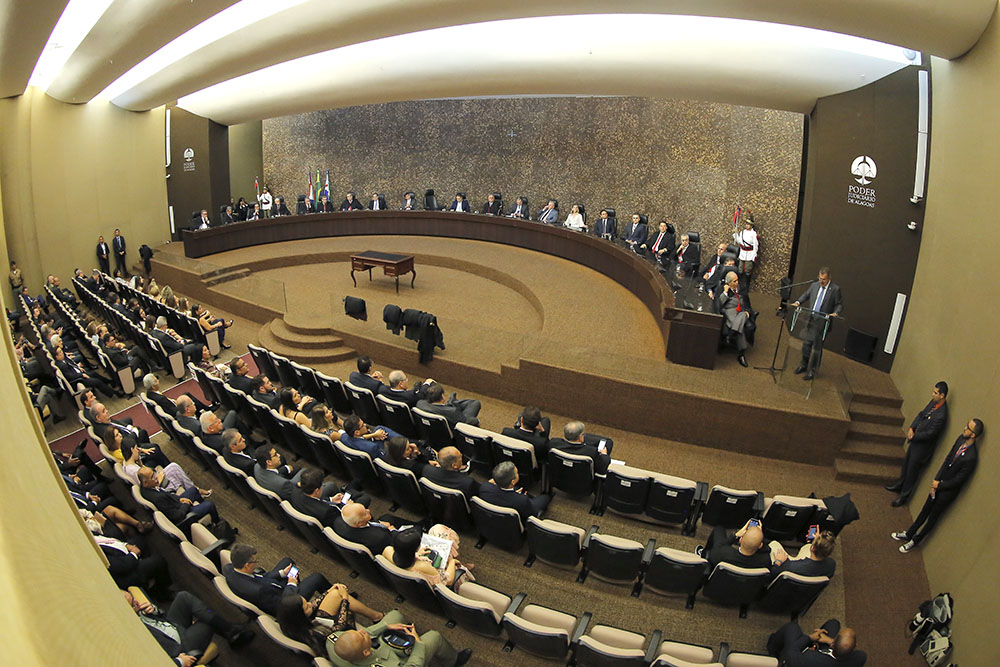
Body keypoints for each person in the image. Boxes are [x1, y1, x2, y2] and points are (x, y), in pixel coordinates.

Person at [893, 418, 983, 552]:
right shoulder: (960, 439)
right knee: (924, 511)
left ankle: (915, 541)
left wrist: (939, 485)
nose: (965, 428)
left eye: (968, 428)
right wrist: (936, 479)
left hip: (946, 493)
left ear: (973, 435)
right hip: (937, 485)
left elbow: (959, 480)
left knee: (932, 519)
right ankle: (909, 533)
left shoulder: (971, 457)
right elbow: (947, 460)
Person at [124, 588, 254, 665]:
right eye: (133, 604)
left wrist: (154, 611)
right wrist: (179, 662)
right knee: (206, 623)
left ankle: (230, 630)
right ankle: (232, 632)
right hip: (177, 648)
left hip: (170, 626)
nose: (137, 602)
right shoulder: (129, 634)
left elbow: (158, 618)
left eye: (133, 598)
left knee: (184, 597)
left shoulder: (130, 613)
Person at [328, 609, 472, 667]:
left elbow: (366, 633)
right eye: (362, 636)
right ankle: (453, 661)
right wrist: (418, 643)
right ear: (366, 652)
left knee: (395, 615)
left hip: (376, 648)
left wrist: (385, 627)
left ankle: (403, 631)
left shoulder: (334, 642)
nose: (362, 631)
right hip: (397, 662)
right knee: (434, 636)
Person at [886, 382, 950, 506]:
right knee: (906, 465)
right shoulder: (933, 403)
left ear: (942, 395)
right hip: (915, 441)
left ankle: (903, 497)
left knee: (912, 472)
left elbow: (931, 434)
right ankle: (899, 485)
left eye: (935, 393)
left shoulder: (941, 415)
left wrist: (914, 436)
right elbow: (922, 414)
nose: (933, 395)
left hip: (922, 449)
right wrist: (912, 427)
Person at [224, 543, 331, 616]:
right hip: (287, 601)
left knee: (287, 561)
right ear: (247, 565)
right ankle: (332, 596)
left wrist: (282, 573)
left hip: (269, 586)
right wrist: (291, 584)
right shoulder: (260, 592)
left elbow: (261, 577)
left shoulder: (229, 569)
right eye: (255, 561)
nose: (257, 563)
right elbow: (283, 605)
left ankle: (297, 584)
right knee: (316, 578)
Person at [277, 587, 383, 656]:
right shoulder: (317, 633)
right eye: (306, 607)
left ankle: (377, 616)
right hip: (340, 640)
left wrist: (329, 591)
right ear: (300, 616)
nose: (310, 604)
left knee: (335, 594)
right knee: (346, 609)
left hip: (322, 627)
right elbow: (340, 627)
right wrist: (345, 598)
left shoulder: (289, 622)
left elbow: (313, 605)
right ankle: (378, 617)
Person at [791, 267, 844, 380]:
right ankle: (803, 365)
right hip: (810, 320)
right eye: (819, 278)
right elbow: (806, 295)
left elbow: (839, 304)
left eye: (823, 279)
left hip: (822, 323)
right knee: (806, 345)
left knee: (816, 349)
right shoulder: (814, 285)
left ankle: (812, 371)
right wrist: (798, 302)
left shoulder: (835, 289)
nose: (821, 281)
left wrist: (835, 313)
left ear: (829, 278)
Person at [382, 526, 460, 589]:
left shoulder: (387, 550)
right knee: (440, 530)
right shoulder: (423, 566)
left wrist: (417, 554)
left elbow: (402, 555)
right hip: (435, 580)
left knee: (437, 528)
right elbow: (447, 581)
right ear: (417, 548)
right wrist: (452, 561)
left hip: (403, 584)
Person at [767, 618, 866, 666]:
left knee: (792, 627)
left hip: (796, 659)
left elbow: (791, 653)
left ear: (832, 645)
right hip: (825, 654)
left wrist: (809, 638)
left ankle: (772, 649)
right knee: (834, 623)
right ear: (855, 646)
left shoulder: (810, 658)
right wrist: (829, 640)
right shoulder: (860, 657)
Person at [478, 461, 551, 524]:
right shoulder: (522, 500)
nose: (518, 474)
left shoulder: (484, 487)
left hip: (492, 521)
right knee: (545, 497)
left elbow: (491, 481)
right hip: (515, 523)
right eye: (517, 473)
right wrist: (518, 496)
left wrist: (514, 494)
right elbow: (532, 512)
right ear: (512, 482)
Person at [697, 519, 770, 570]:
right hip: (743, 587)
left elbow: (718, 549)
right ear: (760, 545)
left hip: (718, 584)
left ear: (740, 540)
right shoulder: (765, 561)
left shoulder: (723, 553)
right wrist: (759, 535)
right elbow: (767, 549)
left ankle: (703, 554)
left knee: (718, 529)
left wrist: (735, 535)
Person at [548, 421, 613, 475]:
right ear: (580, 437)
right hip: (583, 484)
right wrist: (604, 455)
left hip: (558, 479)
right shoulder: (591, 452)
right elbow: (602, 470)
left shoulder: (553, 443)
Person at [333, 501, 398, 555]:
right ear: (359, 523)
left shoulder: (338, 522)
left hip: (370, 532)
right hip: (385, 546)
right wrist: (392, 530)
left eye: (365, 509)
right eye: (365, 514)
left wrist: (378, 522)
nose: (368, 510)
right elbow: (394, 543)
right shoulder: (380, 537)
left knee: (387, 517)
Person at [715, 271, 751, 367]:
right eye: (734, 281)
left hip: (742, 311)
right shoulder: (721, 288)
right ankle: (741, 354)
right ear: (729, 283)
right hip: (729, 310)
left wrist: (748, 311)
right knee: (740, 327)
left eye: (737, 280)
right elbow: (719, 304)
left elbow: (748, 304)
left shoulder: (742, 288)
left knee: (743, 315)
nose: (737, 283)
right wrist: (725, 293)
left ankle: (730, 335)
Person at [768, 530, 837, 578]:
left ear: (812, 548)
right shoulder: (832, 565)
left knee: (774, 544)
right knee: (807, 547)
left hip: (794, 576)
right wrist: (817, 542)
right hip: (809, 584)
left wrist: (778, 561)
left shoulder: (791, 566)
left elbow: (773, 573)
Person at [415, 383, 481, 427]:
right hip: (454, 422)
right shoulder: (453, 411)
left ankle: (453, 401)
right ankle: (453, 402)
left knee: (455, 402)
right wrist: (477, 421)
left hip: (444, 410)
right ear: (442, 396)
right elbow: (466, 422)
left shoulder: (420, 403)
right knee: (476, 403)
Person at [734, 215, 759, 281]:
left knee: (748, 269)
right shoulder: (742, 232)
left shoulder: (753, 234)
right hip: (743, 253)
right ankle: (740, 281)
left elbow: (755, 245)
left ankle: (746, 282)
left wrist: (754, 255)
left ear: (751, 225)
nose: (746, 225)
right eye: (746, 224)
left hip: (750, 253)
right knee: (740, 268)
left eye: (748, 224)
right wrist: (736, 233)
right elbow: (739, 241)